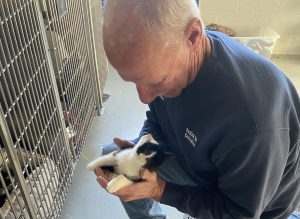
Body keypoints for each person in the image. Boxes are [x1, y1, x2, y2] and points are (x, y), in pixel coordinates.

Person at [94, 0, 300, 218]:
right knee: (116, 161)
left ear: (193, 36)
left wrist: (159, 190)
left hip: (253, 204)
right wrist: (144, 151)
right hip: (197, 159)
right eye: (133, 81)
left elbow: (239, 213)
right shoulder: (170, 56)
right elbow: (158, 120)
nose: (144, 97)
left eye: (156, 81)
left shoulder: (252, 122)